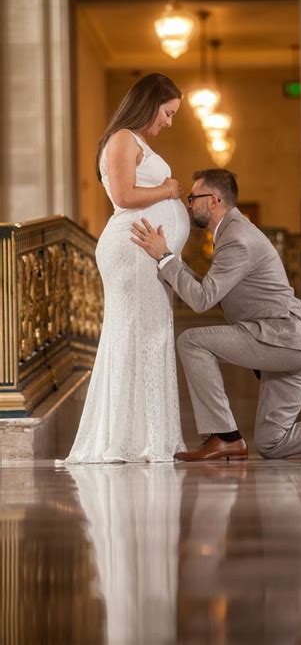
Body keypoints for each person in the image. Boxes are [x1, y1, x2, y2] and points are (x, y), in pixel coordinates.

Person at [131, 169, 301, 461]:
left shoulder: (236, 238)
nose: (190, 205)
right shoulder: (233, 232)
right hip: (297, 344)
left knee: (192, 341)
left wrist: (165, 259)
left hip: (284, 338)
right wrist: (168, 259)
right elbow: (209, 290)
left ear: (214, 200)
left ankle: (224, 436)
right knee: (272, 443)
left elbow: (202, 299)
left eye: (193, 198)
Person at [65, 73, 190, 463]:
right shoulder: (122, 138)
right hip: (131, 251)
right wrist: (168, 191)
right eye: (167, 113)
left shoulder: (136, 142)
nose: (169, 123)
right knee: (142, 336)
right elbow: (123, 195)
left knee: (149, 335)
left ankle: (147, 435)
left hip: (144, 254)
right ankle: (133, 438)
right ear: (151, 103)